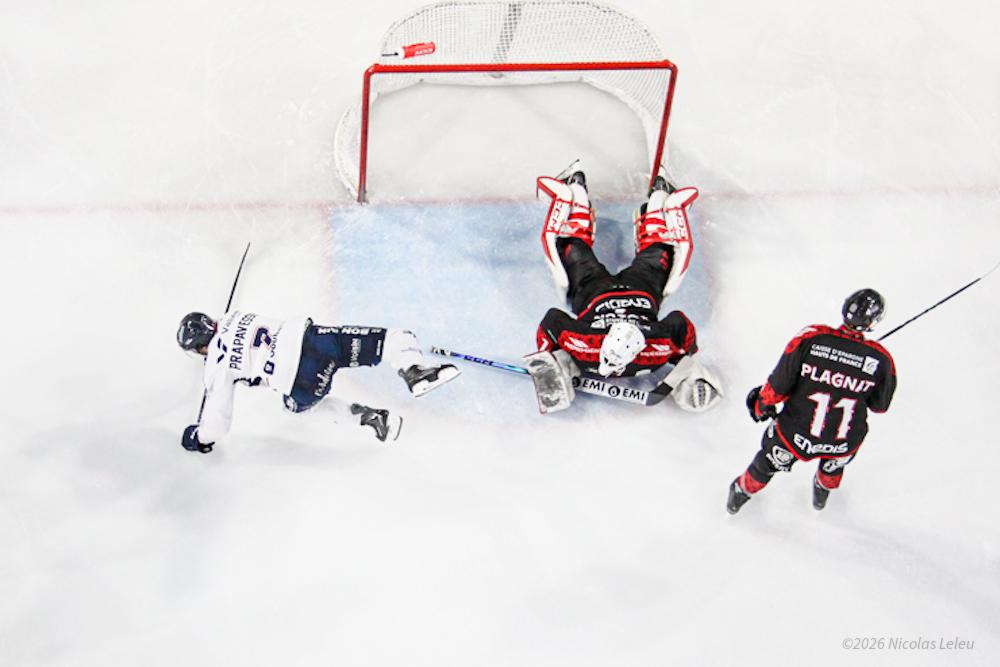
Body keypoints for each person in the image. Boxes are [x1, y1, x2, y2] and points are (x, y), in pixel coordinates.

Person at [524, 162, 723, 413]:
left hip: (602, 290)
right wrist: (686, 364)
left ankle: (578, 195)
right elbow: (682, 328)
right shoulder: (651, 348)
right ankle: (658, 202)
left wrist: (554, 358)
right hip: (634, 288)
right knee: (650, 251)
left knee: (576, 249)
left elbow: (551, 322)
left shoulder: (591, 344)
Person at [176, 311, 460, 453]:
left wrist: (198, 438)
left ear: (200, 348)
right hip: (319, 341)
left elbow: (218, 424)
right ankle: (414, 371)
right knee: (392, 339)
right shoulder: (234, 315)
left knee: (296, 408)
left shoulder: (216, 366)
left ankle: (370, 418)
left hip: (303, 381)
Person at [727, 289, 897, 513]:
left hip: (795, 434)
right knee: (834, 467)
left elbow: (778, 385)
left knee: (766, 464)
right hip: (842, 442)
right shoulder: (881, 358)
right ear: (873, 322)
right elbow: (880, 406)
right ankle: (821, 498)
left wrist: (761, 406)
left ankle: (737, 498)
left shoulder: (812, 337)